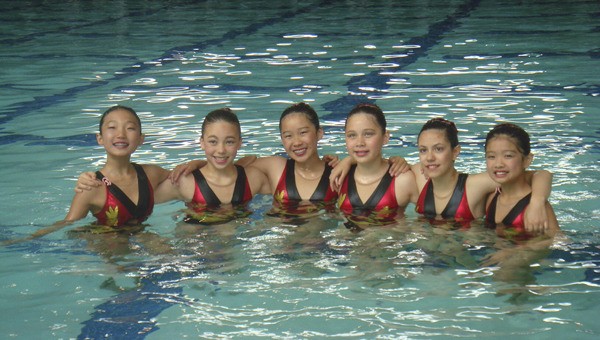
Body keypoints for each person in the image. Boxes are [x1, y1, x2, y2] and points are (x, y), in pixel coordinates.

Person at [4, 105, 171, 245]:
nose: (121, 134)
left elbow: (188, 179)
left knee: (168, 253)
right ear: (100, 138)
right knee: (118, 264)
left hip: (140, 233)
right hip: (105, 240)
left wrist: (197, 163)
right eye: (112, 127)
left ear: (141, 139)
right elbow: (66, 223)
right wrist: (26, 239)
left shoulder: (151, 174)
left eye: (130, 128)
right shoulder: (91, 186)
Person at [171, 102, 341, 217]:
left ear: (319, 133)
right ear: (282, 139)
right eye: (288, 136)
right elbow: (233, 164)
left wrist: (348, 162)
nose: (296, 142)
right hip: (283, 244)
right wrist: (198, 164)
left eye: (303, 133)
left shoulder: (337, 173)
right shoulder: (275, 167)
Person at [412, 118, 553, 229]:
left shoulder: (476, 184)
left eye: (438, 149)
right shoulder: (418, 175)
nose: (429, 157)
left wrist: (537, 202)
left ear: (455, 152)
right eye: (423, 150)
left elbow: (539, 174)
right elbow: (393, 166)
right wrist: (397, 160)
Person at [152, 108, 270, 224]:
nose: (221, 150)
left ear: (239, 143)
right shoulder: (184, 182)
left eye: (229, 142)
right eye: (213, 141)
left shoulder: (253, 179)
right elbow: (140, 199)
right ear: (202, 143)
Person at [336, 103, 419, 228]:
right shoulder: (339, 177)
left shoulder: (402, 180)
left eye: (368, 134)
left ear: (385, 137)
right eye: (352, 135)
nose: (360, 143)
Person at [483, 123, 559, 237]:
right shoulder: (491, 198)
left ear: (527, 160)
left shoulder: (537, 207)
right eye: (491, 156)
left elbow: (557, 241)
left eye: (508, 156)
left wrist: (517, 254)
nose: (498, 164)